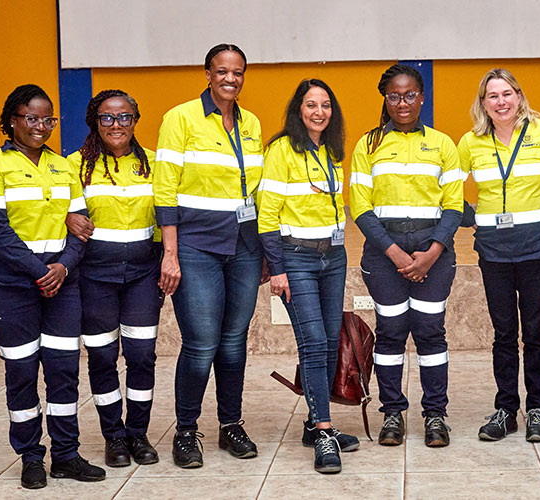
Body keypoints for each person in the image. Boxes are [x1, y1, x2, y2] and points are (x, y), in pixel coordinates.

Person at [0, 84, 105, 488]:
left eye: (48, 119)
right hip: (10, 286)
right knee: (23, 372)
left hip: (62, 286)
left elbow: (80, 225)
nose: (41, 126)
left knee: (64, 372)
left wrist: (62, 269)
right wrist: (40, 271)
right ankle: (31, 456)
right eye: (31, 118)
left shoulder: (63, 166)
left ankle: (66, 454)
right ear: (12, 119)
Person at [154, 43, 265, 468]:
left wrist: (265, 250)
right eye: (222, 71)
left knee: (235, 344)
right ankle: (186, 431)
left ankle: (230, 424)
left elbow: (255, 190)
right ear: (207, 73)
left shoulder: (251, 123)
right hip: (196, 246)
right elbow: (164, 189)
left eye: (237, 72)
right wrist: (170, 253)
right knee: (201, 345)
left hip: (244, 246)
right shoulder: (180, 118)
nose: (230, 79)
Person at [350, 63, 463, 448]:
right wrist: (396, 254)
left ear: (422, 97)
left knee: (431, 333)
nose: (402, 102)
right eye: (394, 95)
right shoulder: (368, 145)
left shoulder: (443, 144)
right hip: (385, 255)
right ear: (385, 98)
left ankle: (435, 415)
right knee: (392, 333)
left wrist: (431, 254)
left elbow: (454, 206)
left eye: (410, 94)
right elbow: (361, 208)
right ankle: (393, 414)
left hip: (436, 253)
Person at [456, 68, 540, 442]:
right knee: (504, 334)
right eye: (492, 96)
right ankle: (506, 409)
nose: (500, 102)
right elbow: (452, 191)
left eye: (507, 94)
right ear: (483, 103)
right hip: (494, 251)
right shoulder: (470, 142)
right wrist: (475, 219)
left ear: (518, 96)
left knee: (535, 332)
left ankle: (538, 408)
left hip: (537, 248)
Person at [259, 78, 359, 473]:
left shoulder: (331, 151)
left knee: (330, 342)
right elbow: (267, 215)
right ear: (298, 110)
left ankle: (312, 423)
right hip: (296, 258)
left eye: (326, 105)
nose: (319, 112)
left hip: (334, 257)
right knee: (314, 342)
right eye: (311, 105)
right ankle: (323, 431)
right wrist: (278, 269)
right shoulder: (281, 150)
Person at [65, 90, 161, 468]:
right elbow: (55, 206)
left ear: (135, 120)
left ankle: (138, 433)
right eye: (107, 117)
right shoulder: (75, 166)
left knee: (141, 356)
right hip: (94, 277)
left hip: (142, 276)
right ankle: (114, 436)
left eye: (124, 117)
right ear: (94, 121)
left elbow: (167, 217)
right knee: (103, 357)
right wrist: (67, 217)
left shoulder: (154, 164)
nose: (116, 125)